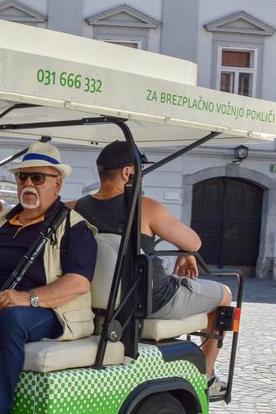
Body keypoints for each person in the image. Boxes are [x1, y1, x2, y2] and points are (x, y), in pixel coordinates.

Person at [72, 140, 231, 391]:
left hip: (104, 301)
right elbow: (194, 241)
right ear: (128, 173)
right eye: (140, 171)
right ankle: (207, 377)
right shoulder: (145, 207)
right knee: (225, 294)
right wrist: (187, 252)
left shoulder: (78, 207)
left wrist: (185, 252)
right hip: (153, 298)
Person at [0, 142, 98, 414]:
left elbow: (77, 283)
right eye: (22, 178)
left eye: (37, 178)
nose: (28, 185)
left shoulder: (75, 228)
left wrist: (26, 298)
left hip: (53, 310)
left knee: (10, 321)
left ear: (57, 183)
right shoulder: (4, 221)